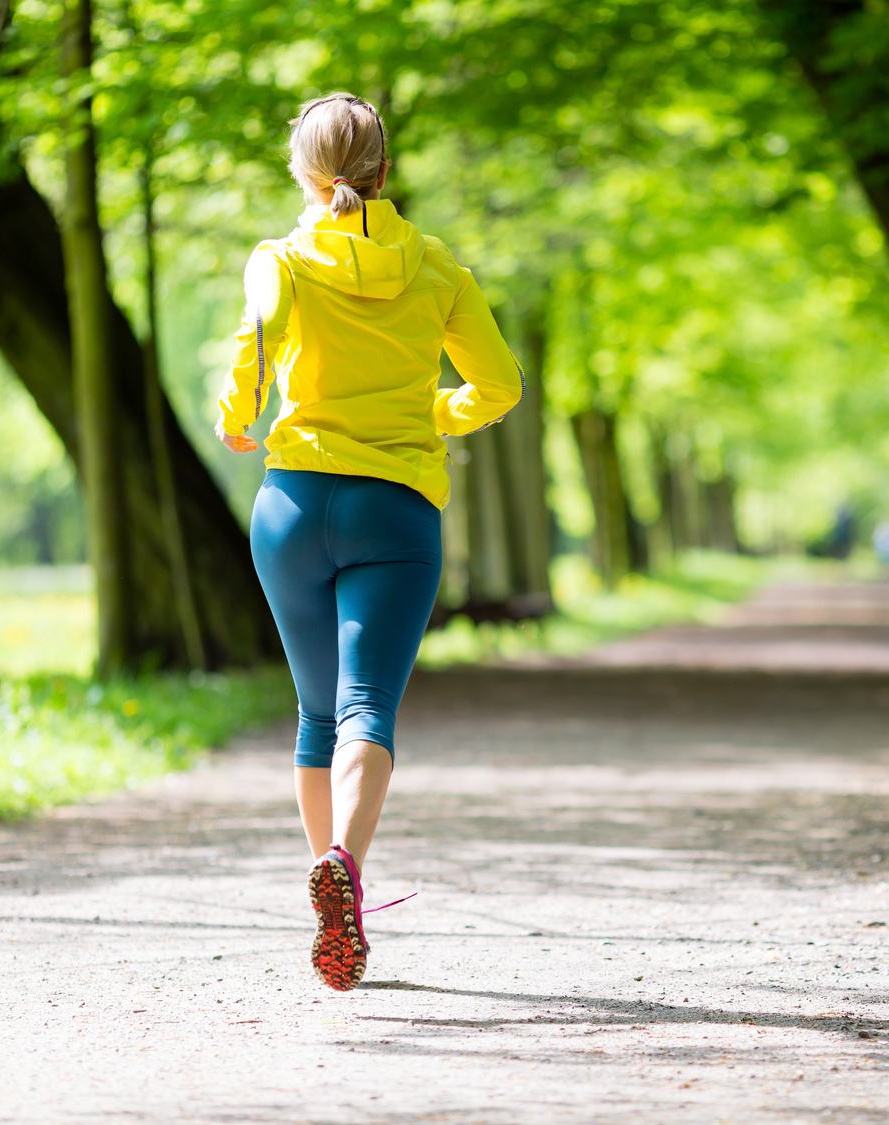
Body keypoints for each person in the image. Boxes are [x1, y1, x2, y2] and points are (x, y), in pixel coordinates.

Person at [214, 93, 523, 991]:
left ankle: (333, 881)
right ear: (386, 171)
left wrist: (241, 420)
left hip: (294, 506)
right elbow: (497, 385)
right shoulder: (435, 267)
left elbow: (249, 357)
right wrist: (433, 412)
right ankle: (343, 868)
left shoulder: (280, 260)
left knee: (315, 714)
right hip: (396, 509)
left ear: (304, 176)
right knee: (366, 711)